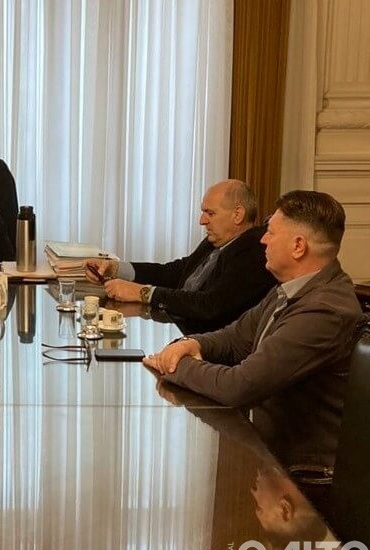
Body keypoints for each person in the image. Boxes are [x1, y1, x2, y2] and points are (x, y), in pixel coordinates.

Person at [145, 190, 364, 471]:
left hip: (300, 474)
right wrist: (191, 343)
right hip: (267, 450)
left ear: (298, 246)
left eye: (271, 233)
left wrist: (176, 365)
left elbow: (239, 386)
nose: (262, 240)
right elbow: (235, 338)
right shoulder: (291, 288)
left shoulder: (325, 312)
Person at [85, 180, 276, 331]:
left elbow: (210, 305)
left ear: (238, 215)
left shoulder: (254, 251)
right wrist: (116, 268)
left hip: (202, 343)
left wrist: (142, 292)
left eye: (210, 213)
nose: (202, 220)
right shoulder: (217, 241)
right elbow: (175, 272)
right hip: (174, 325)